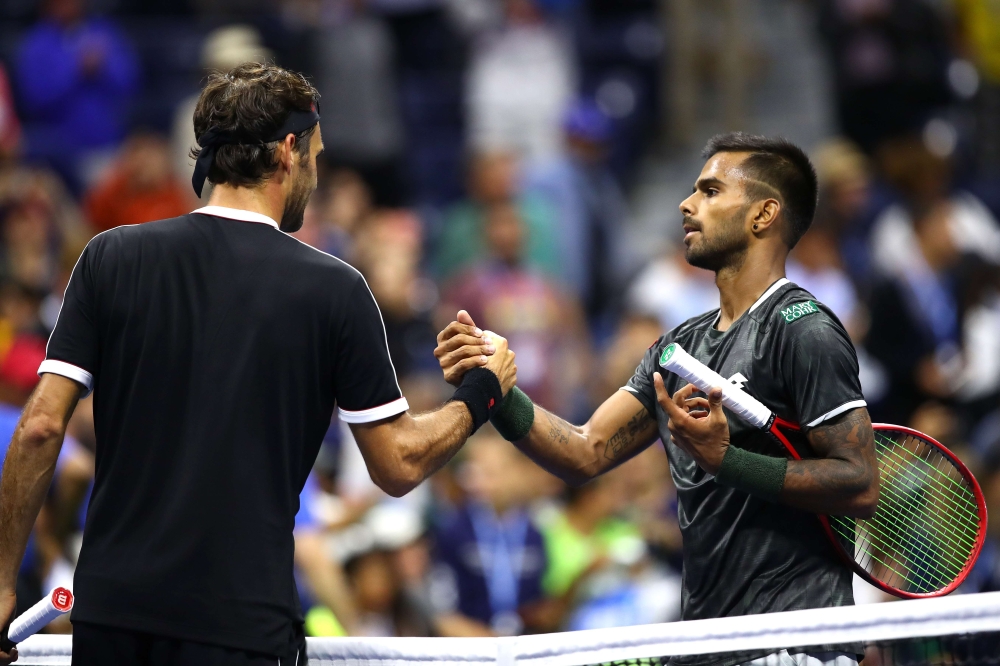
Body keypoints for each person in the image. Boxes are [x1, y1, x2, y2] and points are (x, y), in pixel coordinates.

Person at [0, 62, 516, 666]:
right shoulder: (337, 290)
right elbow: (397, 464)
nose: (317, 178)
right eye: (317, 158)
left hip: (110, 618)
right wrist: (482, 392)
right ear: (289, 152)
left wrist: (3, 583)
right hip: (241, 629)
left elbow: (39, 428)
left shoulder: (110, 257)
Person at [436, 133, 880, 666]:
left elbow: (859, 482)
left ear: (764, 215)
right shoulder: (678, 348)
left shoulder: (802, 329)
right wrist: (497, 392)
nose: (687, 204)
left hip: (793, 645)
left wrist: (727, 460)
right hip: (705, 647)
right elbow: (585, 451)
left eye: (711, 191)